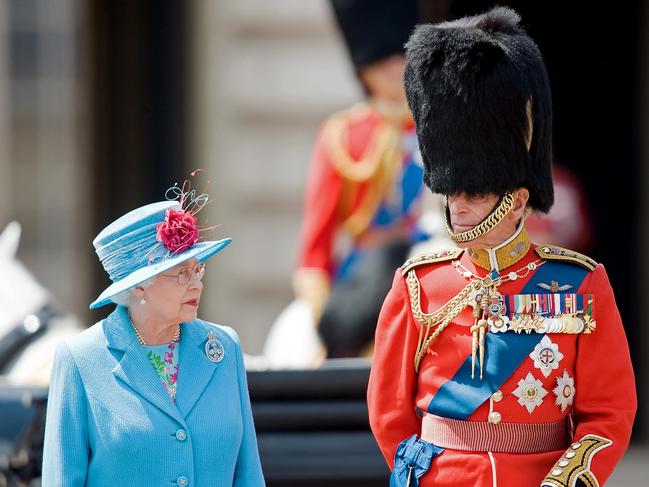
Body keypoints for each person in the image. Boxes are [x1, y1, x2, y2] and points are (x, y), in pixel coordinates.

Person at [367, 7, 636, 487]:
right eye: (454, 194)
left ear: (515, 200)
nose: (461, 207)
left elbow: (609, 411)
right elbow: (390, 411)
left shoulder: (581, 283)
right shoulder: (418, 285)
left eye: (476, 194)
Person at [42, 183, 265, 486]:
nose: (196, 284)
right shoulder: (80, 359)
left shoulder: (223, 348)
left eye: (198, 269)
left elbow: (248, 475)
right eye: (181, 273)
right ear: (139, 286)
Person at [293, 0, 429, 359]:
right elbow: (313, 253)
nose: (393, 68)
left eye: (399, 57)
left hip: (430, 261)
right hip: (364, 276)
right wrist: (325, 320)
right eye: (382, 60)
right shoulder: (341, 135)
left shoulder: (441, 125)